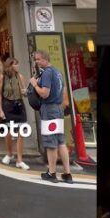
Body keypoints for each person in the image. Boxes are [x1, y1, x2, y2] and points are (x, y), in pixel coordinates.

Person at [31, 48, 73, 183]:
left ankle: (52, 173)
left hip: (49, 109)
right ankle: (67, 174)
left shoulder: (47, 73)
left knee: (50, 143)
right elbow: (64, 90)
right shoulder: (58, 72)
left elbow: (44, 93)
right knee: (60, 141)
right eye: (35, 59)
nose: (36, 62)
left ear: (44, 59)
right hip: (58, 108)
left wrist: (34, 85)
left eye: (38, 59)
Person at [0, 57, 30, 170]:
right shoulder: (2, 77)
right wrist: (0, 109)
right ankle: (9, 154)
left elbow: (24, 92)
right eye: (15, 64)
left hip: (19, 105)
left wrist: (25, 92)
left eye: (18, 64)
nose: (17, 66)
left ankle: (19, 160)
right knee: (8, 132)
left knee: (21, 133)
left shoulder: (20, 77)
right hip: (8, 105)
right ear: (9, 65)